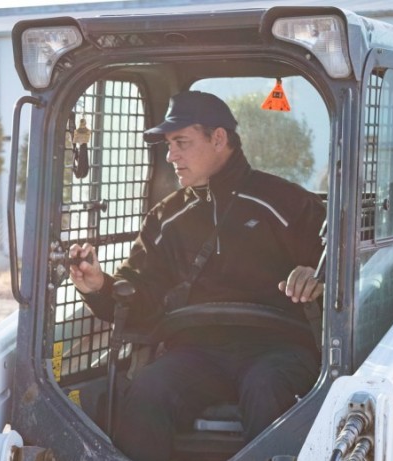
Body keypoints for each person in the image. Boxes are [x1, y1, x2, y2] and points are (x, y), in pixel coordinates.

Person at [68, 90, 326, 461]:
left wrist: (313, 274)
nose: (171, 155)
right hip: (199, 351)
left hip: (279, 348)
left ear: (218, 139)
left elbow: (338, 271)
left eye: (181, 143)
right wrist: (100, 286)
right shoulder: (165, 217)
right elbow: (139, 295)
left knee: (267, 387)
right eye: (169, 145)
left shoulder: (288, 203)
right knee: (147, 389)